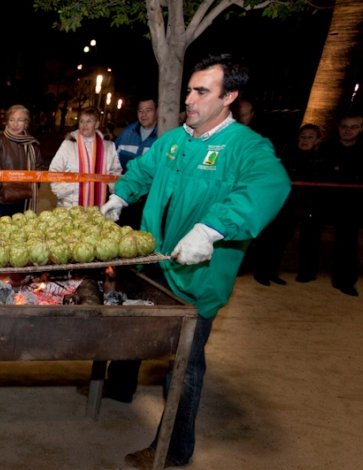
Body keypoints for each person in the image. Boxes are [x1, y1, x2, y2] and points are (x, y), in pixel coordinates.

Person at [99, 54, 290, 469]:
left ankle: (174, 447)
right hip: (153, 260)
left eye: (201, 91)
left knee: (184, 365)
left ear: (229, 97)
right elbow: (143, 172)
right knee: (132, 328)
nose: (189, 98)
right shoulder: (174, 140)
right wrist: (119, 196)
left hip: (197, 275)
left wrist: (212, 230)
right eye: (189, 89)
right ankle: (119, 386)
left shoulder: (246, 148)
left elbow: (269, 186)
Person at [296, 113, 362, 296]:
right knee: (309, 234)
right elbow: (321, 171)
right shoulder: (326, 147)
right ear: (338, 127)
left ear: (360, 129)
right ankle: (306, 272)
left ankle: (345, 282)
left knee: (348, 242)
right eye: (344, 126)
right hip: (323, 199)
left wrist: (339, 172)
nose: (348, 131)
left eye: (353, 127)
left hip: (350, 202)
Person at [253, 124, 322, 286]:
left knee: (283, 240)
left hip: (296, 206)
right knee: (269, 238)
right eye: (303, 137)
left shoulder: (317, 160)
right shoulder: (287, 156)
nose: (305, 140)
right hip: (279, 203)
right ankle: (261, 272)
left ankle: (272, 271)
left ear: (318, 140)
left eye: (310, 137)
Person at [49, 106, 122, 209]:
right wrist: (69, 189)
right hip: (71, 205)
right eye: (82, 121)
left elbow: (116, 173)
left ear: (96, 124)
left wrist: (111, 192)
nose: (84, 124)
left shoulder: (109, 146)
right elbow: (54, 171)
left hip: (100, 205)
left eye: (89, 121)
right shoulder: (68, 144)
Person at [0, 104, 41, 215]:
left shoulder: (32, 145)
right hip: (0, 201)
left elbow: (39, 168)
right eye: (11, 120)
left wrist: (32, 186)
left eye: (20, 120)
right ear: (7, 121)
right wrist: (0, 187)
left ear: (26, 123)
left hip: (24, 200)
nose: (15, 124)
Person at [115, 97, 159, 229]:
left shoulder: (163, 137)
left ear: (157, 112)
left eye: (148, 110)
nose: (144, 115)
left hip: (149, 202)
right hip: (125, 197)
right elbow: (113, 162)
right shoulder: (127, 133)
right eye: (140, 110)